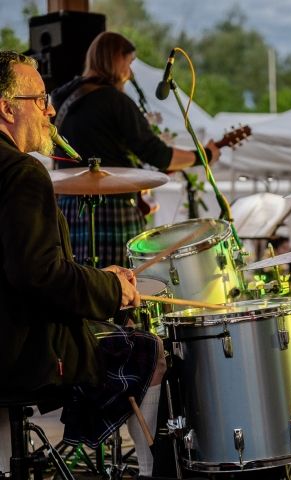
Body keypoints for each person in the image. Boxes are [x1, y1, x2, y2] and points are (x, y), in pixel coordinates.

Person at [0, 51, 165, 477]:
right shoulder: (21, 172)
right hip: (19, 353)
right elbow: (40, 274)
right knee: (148, 349)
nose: (51, 110)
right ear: (6, 108)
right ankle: (154, 471)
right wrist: (114, 289)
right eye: (40, 100)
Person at [51, 31, 220, 268]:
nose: (130, 74)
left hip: (67, 208)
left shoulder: (60, 98)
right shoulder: (114, 101)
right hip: (111, 208)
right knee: (120, 285)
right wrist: (205, 155)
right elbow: (156, 154)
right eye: (128, 63)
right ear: (115, 59)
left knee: (79, 279)